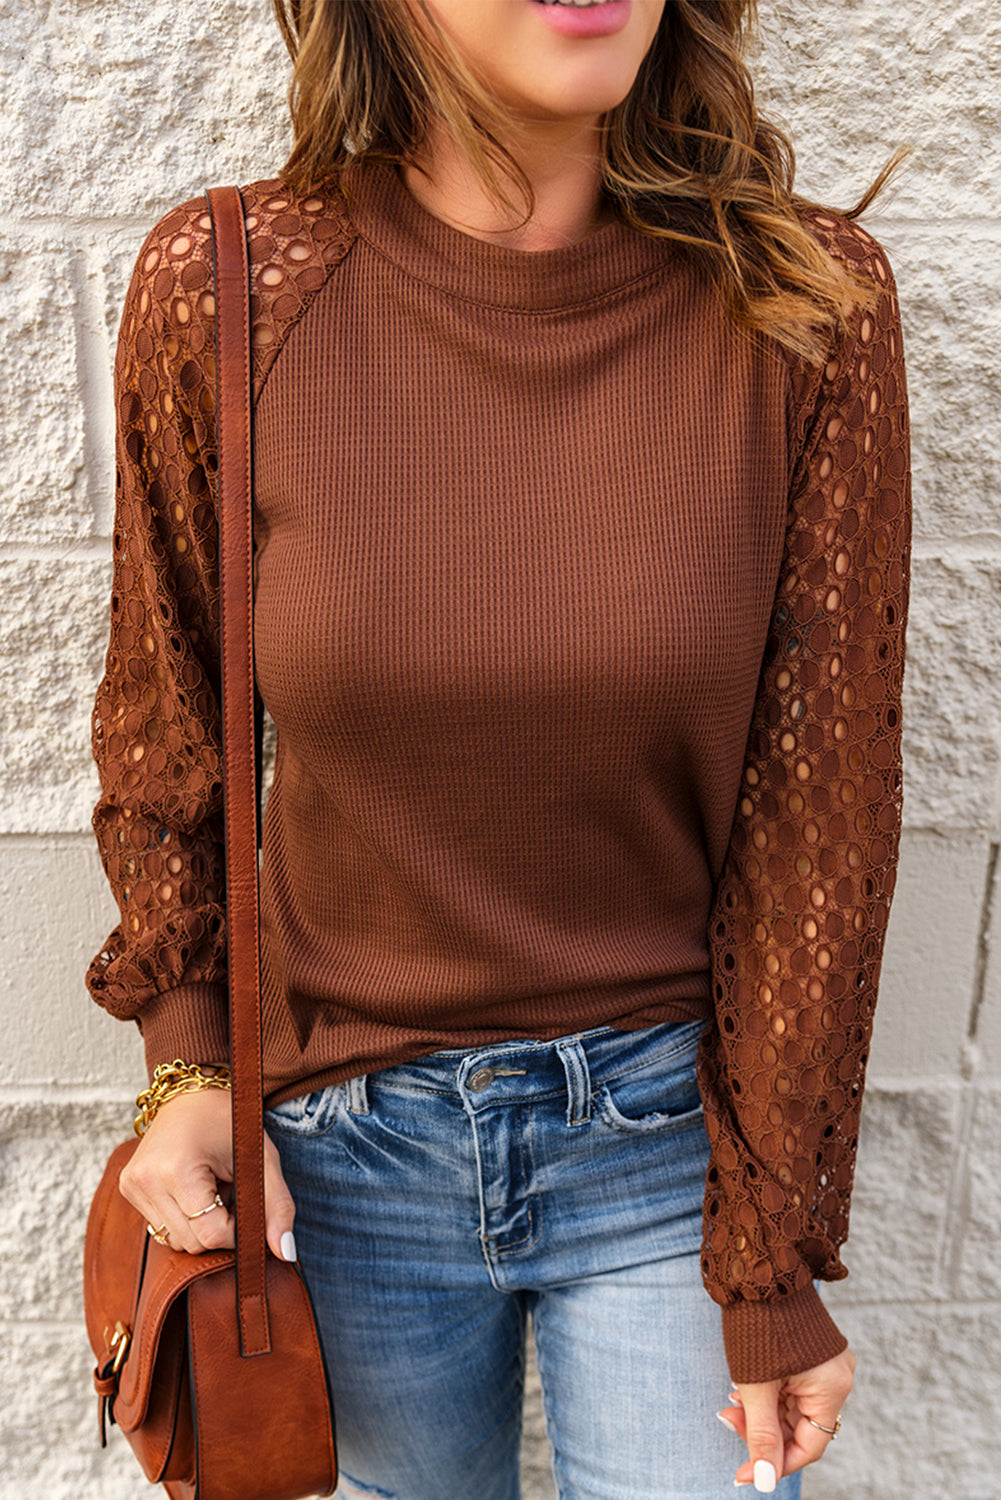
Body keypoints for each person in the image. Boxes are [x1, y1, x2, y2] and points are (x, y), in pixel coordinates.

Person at [87, 1, 910, 1496]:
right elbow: (168, 721)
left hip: (674, 1150)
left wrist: (773, 1257)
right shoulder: (229, 286)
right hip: (335, 1159)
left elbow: (822, 811)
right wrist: (187, 1065)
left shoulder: (802, 306)